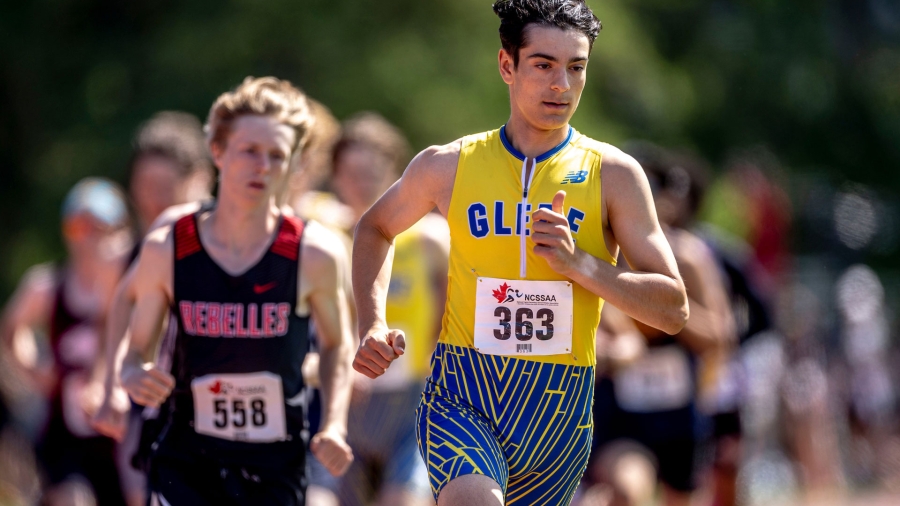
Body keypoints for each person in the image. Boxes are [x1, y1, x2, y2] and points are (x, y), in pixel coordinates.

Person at [351, 1, 689, 504]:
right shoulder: (447, 165)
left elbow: (673, 308)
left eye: (576, 68)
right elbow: (375, 227)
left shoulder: (614, 175)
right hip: (463, 390)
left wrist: (582, 266)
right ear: (507, 65)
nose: (562, 85)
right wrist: (372, 320)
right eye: (544, 65)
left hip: (559, 404)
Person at [117, 76, 354, 505]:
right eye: (249, 151)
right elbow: (137, 351)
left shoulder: (314, 253)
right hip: (186, 457)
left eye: (277, 155)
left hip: (275, 464)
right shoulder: (169, 246)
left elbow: (338, 344)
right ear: (218, 151)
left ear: (295, 164)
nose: (262, 166)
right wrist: (132, 374)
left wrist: (334, 423)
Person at [583, 144, 736, 506]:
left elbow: (720, 335)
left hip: (680, 416)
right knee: (625, 491)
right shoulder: (600, 254)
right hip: (622, 414)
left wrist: (663, 308)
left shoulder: (688, 256)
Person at [90, 110, 214, 506]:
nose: (153, 196)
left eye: (165, 184)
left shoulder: (225, 243)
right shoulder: (123, 258)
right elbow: (115, 320)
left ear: (198, 179)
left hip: (228, 410)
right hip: (153, 409)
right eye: (144, 184)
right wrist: (108, 384)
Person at [329, 112, 448, 506]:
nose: (362, 183)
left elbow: (457, 304)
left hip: (411, 401)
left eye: (373, 172)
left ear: (396, 173)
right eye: (352, 173)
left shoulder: (429, 239)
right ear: (335, 178)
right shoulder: (321, 241)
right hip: (346, 402)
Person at [1, 178, 133, 505]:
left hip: (121, 437)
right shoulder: (47, 285)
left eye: (97, 227)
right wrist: (34, 370)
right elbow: (11, 328)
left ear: (119, 232)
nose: (87, 239)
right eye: (78, 227)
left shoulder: (134, 287)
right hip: (66, 439)